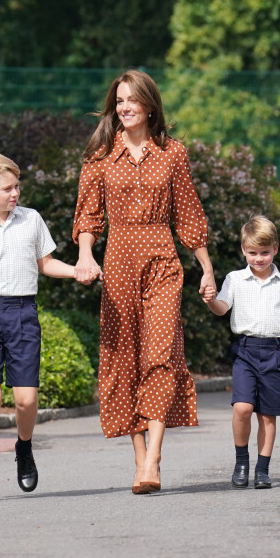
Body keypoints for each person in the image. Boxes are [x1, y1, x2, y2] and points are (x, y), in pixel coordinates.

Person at [72, 69, 215, 494]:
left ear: (150, 105)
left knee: (159, 352)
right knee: (124, 360)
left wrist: (206, 267)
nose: (125, 107)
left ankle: (153, 457)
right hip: (117, 264)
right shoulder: (99, 156)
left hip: (162, 263)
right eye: (119, 101)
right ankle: (139, 463)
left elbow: (188, 213)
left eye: (132, 100)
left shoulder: (173, 153)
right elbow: (88, 215)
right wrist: (84, 255)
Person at [0, 152, 76, 502]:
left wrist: (77, 270)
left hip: (22, 312)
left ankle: (24, 447)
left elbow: (46, 264)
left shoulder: (31, 220)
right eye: (7, 188)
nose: (15, 193)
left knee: (26, 399)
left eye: (17, 186)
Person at [203, 215, 280, 489]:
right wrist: (210, 301)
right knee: (242, 407)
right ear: (244, 250)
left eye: (264, 252)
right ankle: (242, 461)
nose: (259, 258)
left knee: (267, 414)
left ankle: (262, 470)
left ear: (275, 248)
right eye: (253, 253)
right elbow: (222, 308)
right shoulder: (235, 279)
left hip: (276, 351)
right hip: (246, 351)